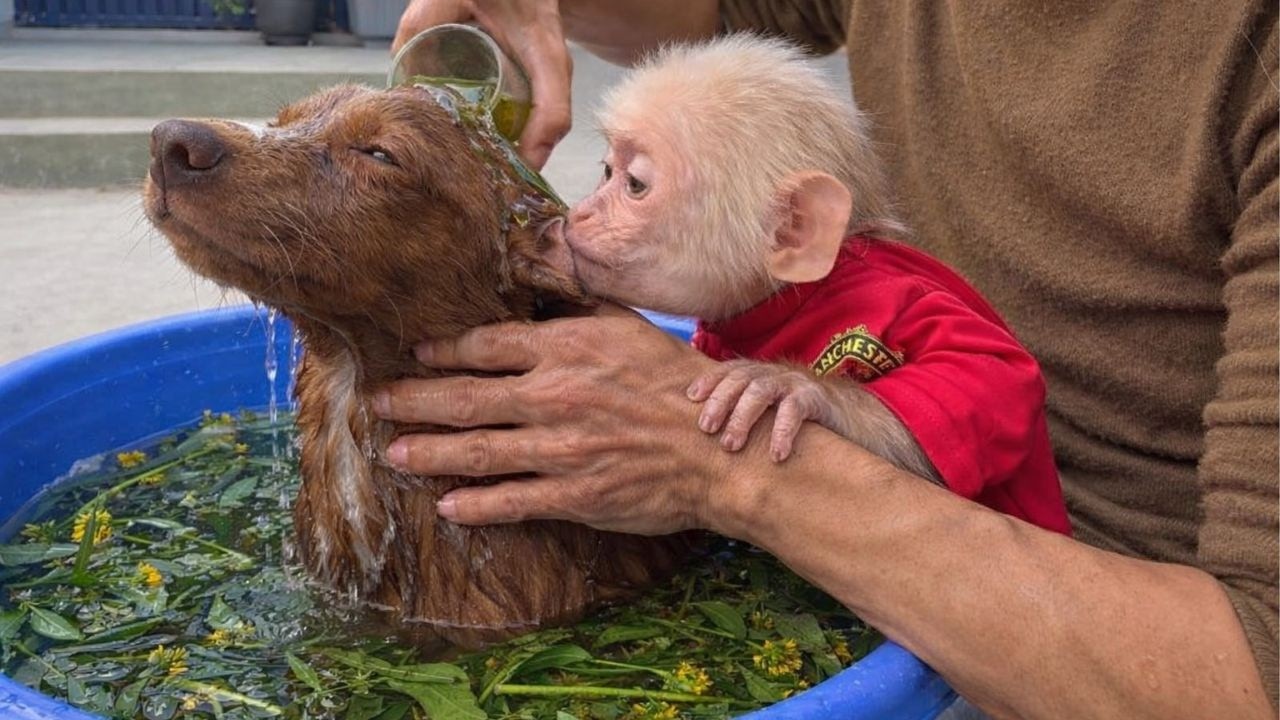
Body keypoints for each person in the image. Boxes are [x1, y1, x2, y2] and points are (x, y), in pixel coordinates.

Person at [379, 2, 1279, 718]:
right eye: (607, 171)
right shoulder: (753, 287)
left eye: (636, 183)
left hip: (1039, 633)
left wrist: (811, 414)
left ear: (793, 229)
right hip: (859, 581)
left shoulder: (887, 306)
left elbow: (1000, 385)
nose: (587, 208)